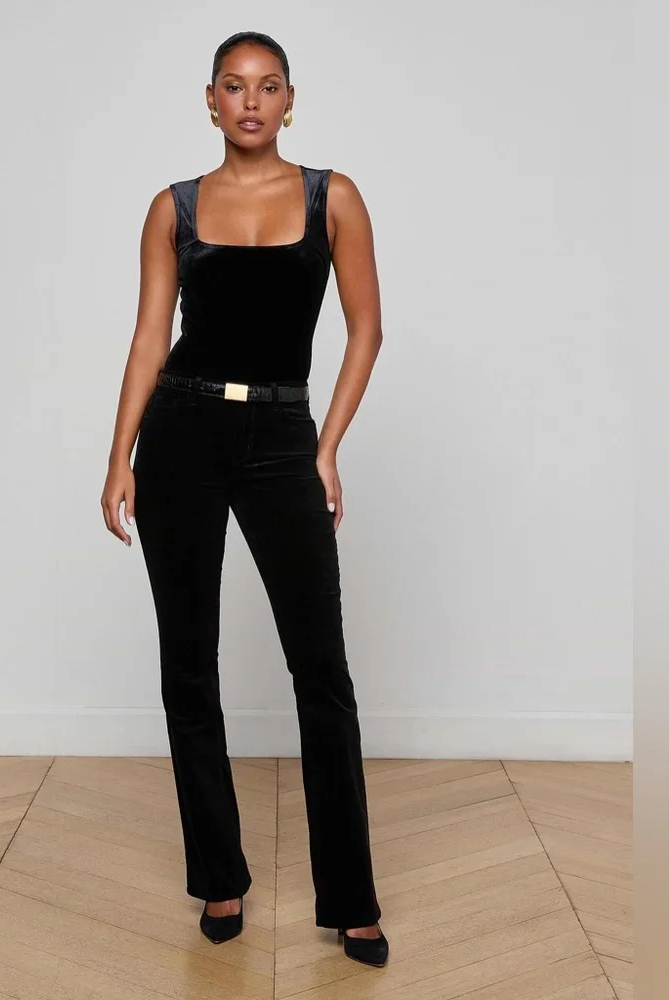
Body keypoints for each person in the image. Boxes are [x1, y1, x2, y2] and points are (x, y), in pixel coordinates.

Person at [100, 30, 388, 968]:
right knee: (188, 663)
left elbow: (366, 330)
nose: (251, 102)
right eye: (235, 86)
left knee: (322, 669)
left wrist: (326, 448)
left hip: (280, 434)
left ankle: (350, 897)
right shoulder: (173, 208)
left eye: (268, 87)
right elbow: (149, 338)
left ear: (290, 101)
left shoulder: (332, 197)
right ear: (211, 100)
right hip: (180, 432)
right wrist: (119, 456)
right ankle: (219, 874)